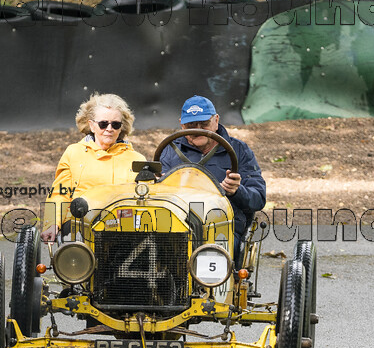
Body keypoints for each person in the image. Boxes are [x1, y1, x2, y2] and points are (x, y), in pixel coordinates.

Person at [158, 95, 266, 254]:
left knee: (216, 251)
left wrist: (236, 191)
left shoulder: (239, 150)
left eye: (204, 124)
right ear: (182, 125)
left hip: (222, 224)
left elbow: (258, 198)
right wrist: (158, 184)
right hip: (176, 224)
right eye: (192, 125)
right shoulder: (170, 151)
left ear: (216, 121)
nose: (198, 129)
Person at [41, 93, 145, 241]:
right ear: (91, 125)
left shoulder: (137, 159)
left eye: (115, 124)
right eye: (103, 124)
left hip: (125, 227)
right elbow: (60, 193)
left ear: (121, 127)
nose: (109, 129)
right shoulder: (74, 153)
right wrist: (52, 224)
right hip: (81, 225)